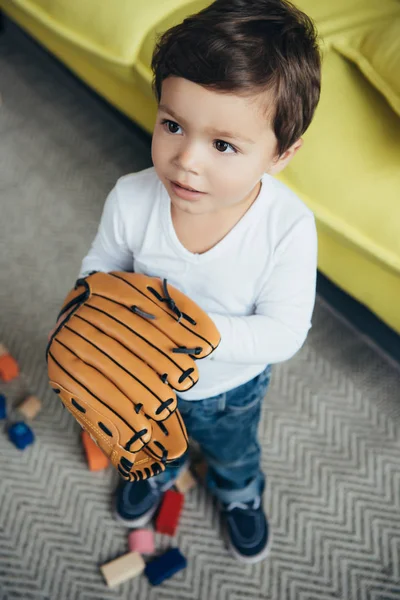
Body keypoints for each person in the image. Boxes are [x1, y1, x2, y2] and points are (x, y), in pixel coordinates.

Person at [77, 0, 321, 564]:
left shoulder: (287, 227)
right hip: (145, 380)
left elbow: (283, 332)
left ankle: (239, 493)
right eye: (173, 125)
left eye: (223, 145)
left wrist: (194, 332)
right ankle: (159, 473)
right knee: (150, 445)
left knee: (233, 453)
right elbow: (101, 265)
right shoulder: (133, 196)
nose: (186, 160)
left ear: (281, 155)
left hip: (230, 390)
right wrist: (94, 314)